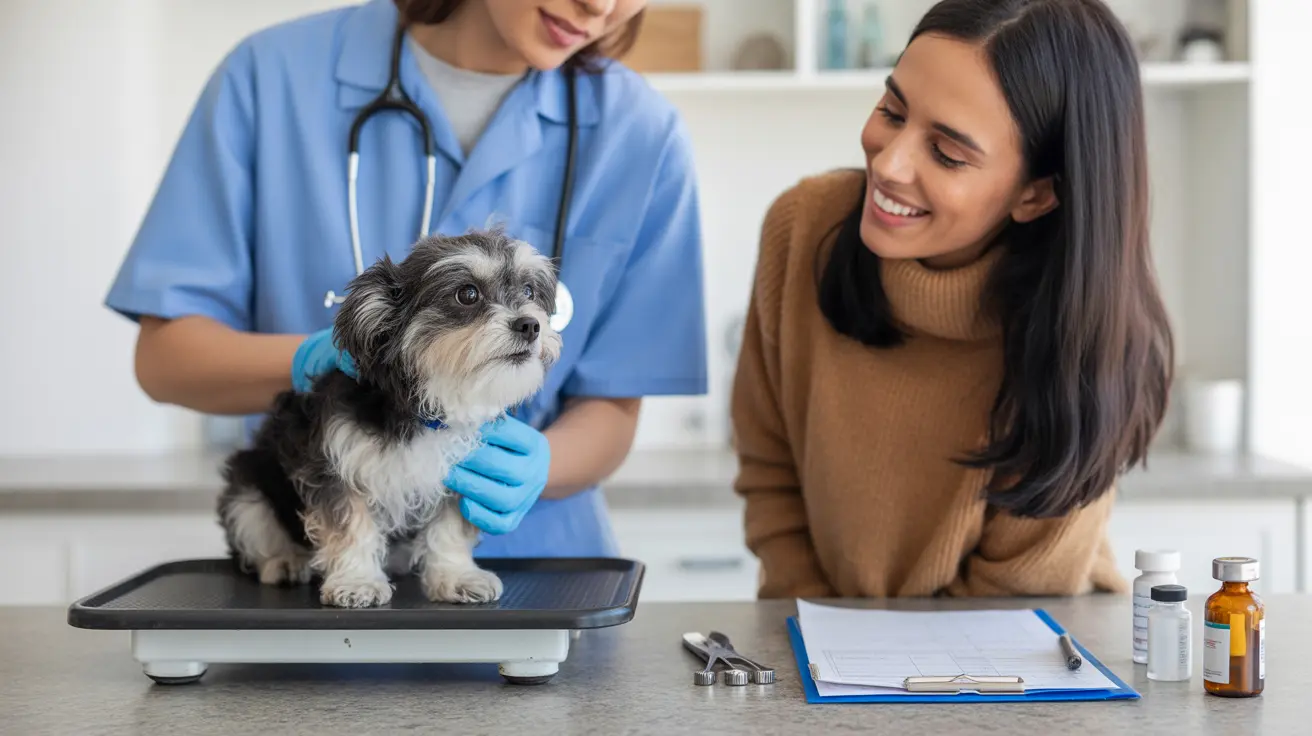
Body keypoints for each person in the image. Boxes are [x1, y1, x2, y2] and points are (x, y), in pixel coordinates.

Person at [105, 0, 707, 558]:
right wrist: (319, 357)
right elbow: (165, 359)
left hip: (534, 580)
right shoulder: (269, 79)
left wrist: (544, 464)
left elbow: (615, 405)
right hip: (322, 570)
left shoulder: (642, 133)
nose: (600, 6)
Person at [731, 0, 1173, 598]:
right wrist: (816, 629)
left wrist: (860, 662)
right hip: (830, 645)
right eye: (891, 110)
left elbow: (1014, 599)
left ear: (1037, 195)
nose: (889, 164)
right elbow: (768, 468)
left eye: (947, 154)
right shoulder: (802, 228)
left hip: (1020, 652)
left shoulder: (1085, 340)